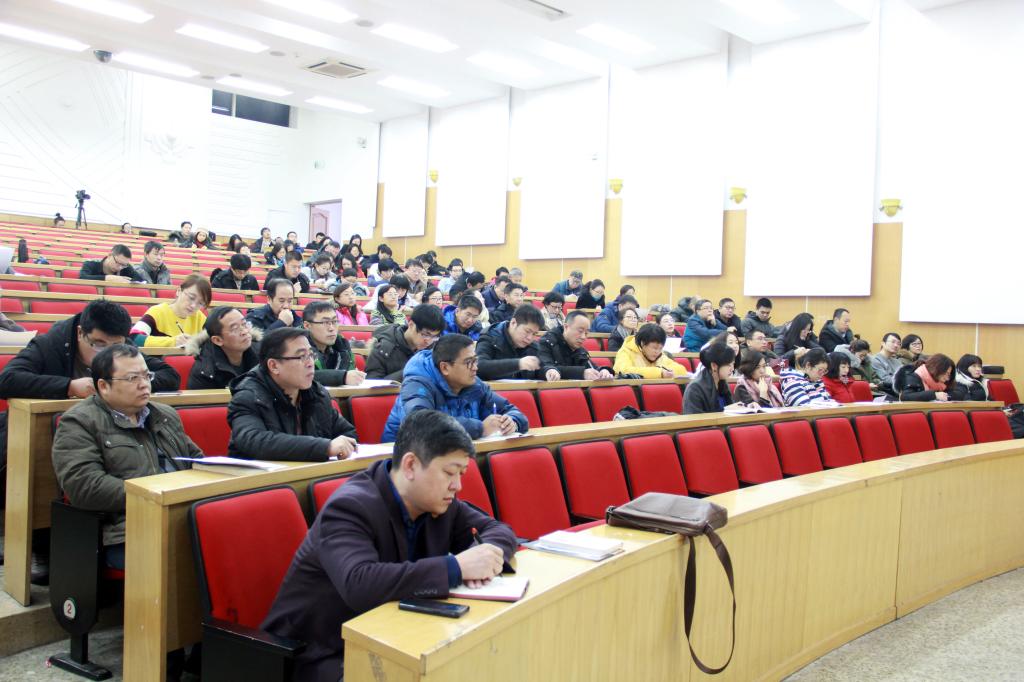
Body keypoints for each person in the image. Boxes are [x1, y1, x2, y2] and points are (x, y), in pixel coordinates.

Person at [262, 409, 516, 681]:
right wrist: (456, 567)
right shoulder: (350, 506)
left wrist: (486, 555)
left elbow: (499, 531)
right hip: (320, 654)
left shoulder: (440, 503)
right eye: (450, 473)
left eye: (462, 474)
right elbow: (360, 583)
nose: (458, 486)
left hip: (393, 638)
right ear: (410, 465)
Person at [51, 344, 202, 569]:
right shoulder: (80, 422)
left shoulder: (165, 414)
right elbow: (84, 486)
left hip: (182, 516)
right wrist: (153, 495)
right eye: (132, 378)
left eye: (146, 376)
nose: (144, 384)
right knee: (193, 559)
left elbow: (195, 461)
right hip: (127, 530)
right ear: (103, 386)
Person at [227, 328, 358, 461]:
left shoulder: (317, 393)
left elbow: (347, 433)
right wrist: (324, 447)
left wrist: (344, 446)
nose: (310, 363)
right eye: (302, 357)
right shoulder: (249, 396)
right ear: (274, 366)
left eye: (311, 355)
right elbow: (255, 441)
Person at [381, 335, 529, 442]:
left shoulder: (476, 385)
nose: (475, 368)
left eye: (475, 361)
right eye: (469, 362)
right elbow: (420, 425)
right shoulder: (417, 384)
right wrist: (480, 428)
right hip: (406, 461)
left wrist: (512, 422)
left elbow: (513, 411)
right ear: (445, 367)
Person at [186, 307, 260, 390]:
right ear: (217, 340)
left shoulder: (263, 354)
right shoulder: (205, 372)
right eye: (235, 329)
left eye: (244, 324)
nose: (245, 331)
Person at [365, 304, 445, 381]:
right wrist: (410, 370)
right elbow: (372, 383)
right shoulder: (383, 348)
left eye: (434, 336)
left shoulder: (434, 349)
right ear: (411, 325)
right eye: (425, 335)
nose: (429, 341)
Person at [130, 274, 211, 347]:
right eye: (191, 298)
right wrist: (173, 342)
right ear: (179, 291)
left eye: (200, 303)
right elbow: (134, 338)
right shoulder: (158, 312)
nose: (193, 305)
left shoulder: (200, 318)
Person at [301, 301, 365, 387]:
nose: (331, 328)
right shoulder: (297, 347)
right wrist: (342, 377)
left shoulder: (342, 345)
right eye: (325, 322)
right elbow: (301, 376)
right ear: (307, 326)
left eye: (335, 321)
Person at [475, 305, 546, 380]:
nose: (530, 338)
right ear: (513, 323)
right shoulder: (491, 337)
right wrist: (518, 364)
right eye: (527, 331)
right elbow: (479, 367)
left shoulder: (533, 346)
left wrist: (548, 372)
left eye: (534, 334)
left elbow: (540, 368)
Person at [538, 311, 612, 381]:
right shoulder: (547, 342)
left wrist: (602, 371)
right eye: (580, 331)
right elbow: (545, 368)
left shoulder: (580, 350)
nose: (583, 337)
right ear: (566, 327)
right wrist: (581, 373)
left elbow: (592, 367)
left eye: (586, 333)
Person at [614, 323, 688, 379]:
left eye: (660, 348)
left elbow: (681, 369)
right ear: (642, 343)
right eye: (654, 348)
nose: (657, 352)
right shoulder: (625, 351)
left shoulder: (660, 355)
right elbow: (624, 371)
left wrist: (669, 372)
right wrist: (659, 373)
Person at [682, 344, 736, 415]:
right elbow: (694, 419)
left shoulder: (722, 383)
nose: (732, 369)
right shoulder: (695, 389)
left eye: (733, 364)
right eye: (729, 365)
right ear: (714, 366)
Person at [78, 244, 143, 282]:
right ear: (109, 255)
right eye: (117, 263)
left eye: (123, 265)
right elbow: (82, 277)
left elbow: (140, 280)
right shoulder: (91, 264)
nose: (120, 268)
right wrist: (109, 278)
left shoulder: (125, 266)